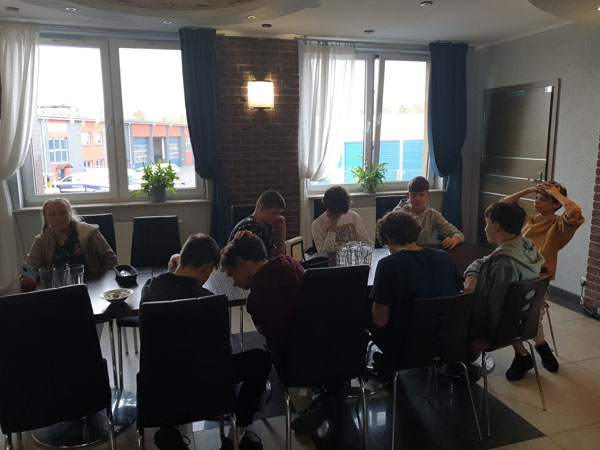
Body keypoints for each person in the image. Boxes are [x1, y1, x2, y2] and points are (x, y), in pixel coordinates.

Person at [141, 233, 270, 450]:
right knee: (261, 360)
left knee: (170, 359)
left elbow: (169, 285)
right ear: (208, 268)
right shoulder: (211, 302)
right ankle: (237, 434)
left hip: (160, 390)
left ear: (181, 258)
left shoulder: (149, 290)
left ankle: (169, 430)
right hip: (209, 392)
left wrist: (173, 270)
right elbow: (223, 355)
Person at [498, 181, 584, 376]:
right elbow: (503, 205)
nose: (536, 201)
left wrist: (556, 193)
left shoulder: (559, 225)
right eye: (536, 197)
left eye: (542, 199)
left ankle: (540, 348)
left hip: (537, 278)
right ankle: (524, 354)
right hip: (515, 275)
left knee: (531, 318)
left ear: (556, 204)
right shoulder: (528, 220)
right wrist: (529, 189)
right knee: (508, 315)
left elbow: (574, 212)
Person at [463, 202, 544, 381]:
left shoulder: (504, 263)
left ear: (496, 226)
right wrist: (472, 274)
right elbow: (483, 260)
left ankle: (460, 366)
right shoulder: (524, 246)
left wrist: (489, 338)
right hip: (526, 320)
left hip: (505, 328)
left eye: (486, 223)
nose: (484, 228)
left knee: (450, 313)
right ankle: (523, 355)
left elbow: (497, 307)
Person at [370, 211, 463, 363]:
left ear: (388, 238)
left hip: (404, 346)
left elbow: (380, 321)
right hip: (446, 339)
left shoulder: (388, 265)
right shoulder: (443, 257)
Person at [220, 233, 304, 359]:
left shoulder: (257, 299)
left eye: (232, 275)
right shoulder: (291, 263)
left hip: (290, 360)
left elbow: (275, 344)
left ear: (239, 261)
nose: (234, 283)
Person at [20, 198, 117, 288]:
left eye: (63, 213)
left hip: (91, 285)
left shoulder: (89, 232)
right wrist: (27, 278)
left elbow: (110, 258)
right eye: (52, 215)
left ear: (70, 214)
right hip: (57, 288)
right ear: (46, 219)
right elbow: (29, 268)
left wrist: (102, 281)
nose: (58, 217)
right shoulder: (42, 239)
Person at [393, 176, 464, 249]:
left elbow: (458, 234)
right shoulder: (398, 212)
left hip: (424, 251)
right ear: (408, 196)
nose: (418, 198)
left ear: (427, 195)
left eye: (421, 195)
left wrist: (455, 239)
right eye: (414, 195)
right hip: (403, 251)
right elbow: (388, 233)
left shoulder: (433, 215)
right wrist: (400, 217)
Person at [311, 186, 370, 253]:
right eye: (337, 214)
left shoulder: (353, 217)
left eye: (341, 213)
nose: (339, 216)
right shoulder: (317, 225)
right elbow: (323, 253)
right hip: (331, 259)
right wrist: (332, 228)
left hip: (353, 257)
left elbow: (366, 244)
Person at [229, 190, 287, 257]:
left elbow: (278, 256)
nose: (276, 217)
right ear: (262, 208)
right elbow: (255, 261)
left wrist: (282, 230)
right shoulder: (249, 226)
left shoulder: (266, 226)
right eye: (274, 213)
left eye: (278, 214)